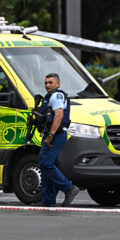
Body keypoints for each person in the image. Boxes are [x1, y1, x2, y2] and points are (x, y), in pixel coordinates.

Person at [35, 73, 80, 207]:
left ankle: (69, 188)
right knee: (45, 164)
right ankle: (48, 199)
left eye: (51, 82)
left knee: (45, 163)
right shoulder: (50, 97)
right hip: (53, 134)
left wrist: (51, 135)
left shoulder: (57, 96)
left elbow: (59, 116)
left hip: (56, 135)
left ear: (58, 84)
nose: (47, 85)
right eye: (46, 83)